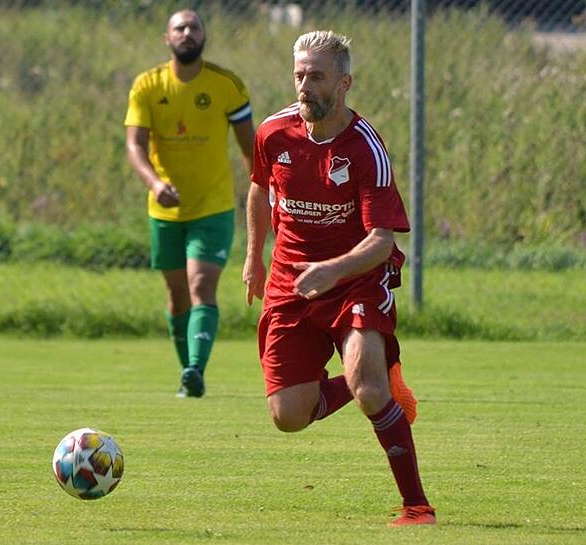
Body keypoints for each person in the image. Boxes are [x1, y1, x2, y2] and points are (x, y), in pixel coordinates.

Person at [242, 30, 436, 526]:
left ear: (344, 82)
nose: (304, 86)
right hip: (291, 279)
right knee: (288, 416)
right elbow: (258, 188)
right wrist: (254, 259)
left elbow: (383, 241)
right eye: (299, 74)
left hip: (355, 277)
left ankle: (418, 507)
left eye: (317, 76)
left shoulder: (366, 148)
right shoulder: (273, 133)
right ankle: (366, 378)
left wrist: (332, 270)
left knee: (371, 391)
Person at [125, 10, 254, 398]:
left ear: (204, 37)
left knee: (202, 284)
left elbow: (252, 149)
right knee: (177, 295)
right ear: (167, 38)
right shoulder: (148, 85)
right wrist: (154, 183)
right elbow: (134, 145)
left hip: (213, 207)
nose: (187, 33)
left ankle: (196, 368)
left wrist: (265, 192)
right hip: (164, 210)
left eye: (194, 27)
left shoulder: (226, 86)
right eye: (179, 28)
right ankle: (188, 373)